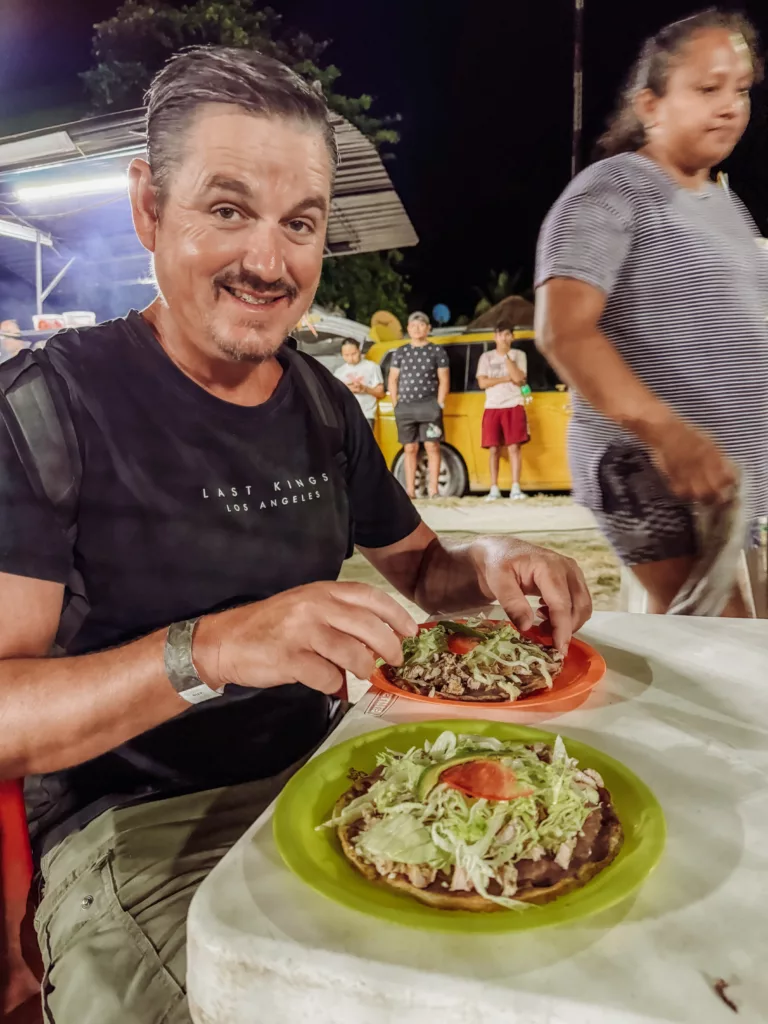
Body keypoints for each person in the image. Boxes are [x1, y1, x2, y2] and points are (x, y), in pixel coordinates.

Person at [0, 47, 591, 1023]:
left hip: (333, 783)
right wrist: (217, 647)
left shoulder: (320, 402)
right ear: (149, 207)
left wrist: (496, 564)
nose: (270, 263)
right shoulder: (50, 408)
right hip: (137, 839)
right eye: (227, 209)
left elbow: (431, 573)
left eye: (300, 223)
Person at [535, 10, 768, 615]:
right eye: (707, 88)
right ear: (650, 105)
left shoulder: (726, 209)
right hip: (649, 471)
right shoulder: (613, 189)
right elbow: (563, 329)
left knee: (736, 649)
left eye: (741, 89)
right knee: (730, 657)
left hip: (727, 482)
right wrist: (667, 434)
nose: (730, 106)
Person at [387, 311, 450, 499]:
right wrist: (395, 403)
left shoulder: (437, 351)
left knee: (432, 446)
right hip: (405, 407)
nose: (417, 329)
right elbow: (393, 378)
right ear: (408, 329)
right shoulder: (401, 352)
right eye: (413, 325)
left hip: (429, 406)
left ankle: (434, 490)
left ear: (428, 328)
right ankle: (410, 491)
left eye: (421, 325)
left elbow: (444, 378)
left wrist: (439, 403)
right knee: (409, 448)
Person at [477, 321, 529, 502]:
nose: (503, 338)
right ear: (494, 337)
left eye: (507, 334)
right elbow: (482, 383)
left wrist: (507, 358)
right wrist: (505, 378)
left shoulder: (518, 355)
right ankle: (494, 488)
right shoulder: (486, 357)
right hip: (492, 406)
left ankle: (515, 487)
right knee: (493, 448)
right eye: (500, 334)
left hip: (513, 403)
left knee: (514, 447)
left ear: (512, 337)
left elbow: (519, 379)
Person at [333, 338, 384, 429]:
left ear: (359, 351)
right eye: (346, 355)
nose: (350, 358)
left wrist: (364, 389)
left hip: (366, 414)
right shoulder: (339, 372)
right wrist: (348, 389)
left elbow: (380, 392)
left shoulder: (372, 367)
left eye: (353, 354)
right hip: (346, 416)